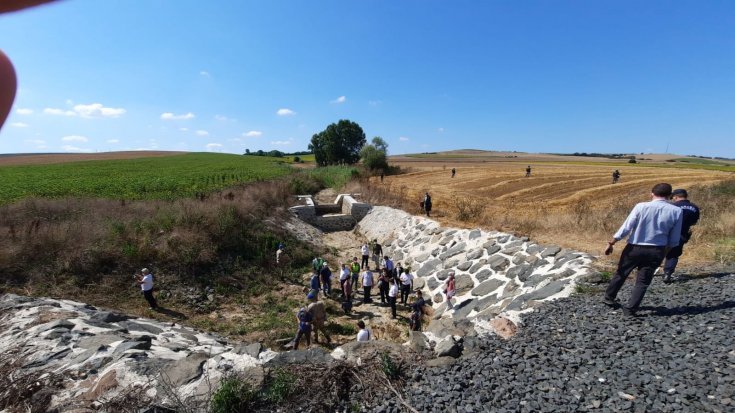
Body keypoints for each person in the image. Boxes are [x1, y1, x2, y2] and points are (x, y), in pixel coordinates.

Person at [603, 183, 683, 317]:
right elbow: (674, 237)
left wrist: (613, 242)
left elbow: (627, 227)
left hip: (634, 247)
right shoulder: (676, 211)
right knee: (643, 281)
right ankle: (630, 309)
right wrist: (665, 252)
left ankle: (609, 297)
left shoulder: (641, 206)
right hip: (657, 249)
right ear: (670, 196)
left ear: (652, 193)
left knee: (622, 272)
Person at [662, 189, 700, 282]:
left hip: (667, 233)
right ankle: (668, 273)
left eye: (673, 198)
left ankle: (647, 272)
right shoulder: (694, 207)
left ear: (675, 197)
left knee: (657, 252)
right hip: (682, 234)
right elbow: (694, 222)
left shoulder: (672, 206)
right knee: (673, 254)